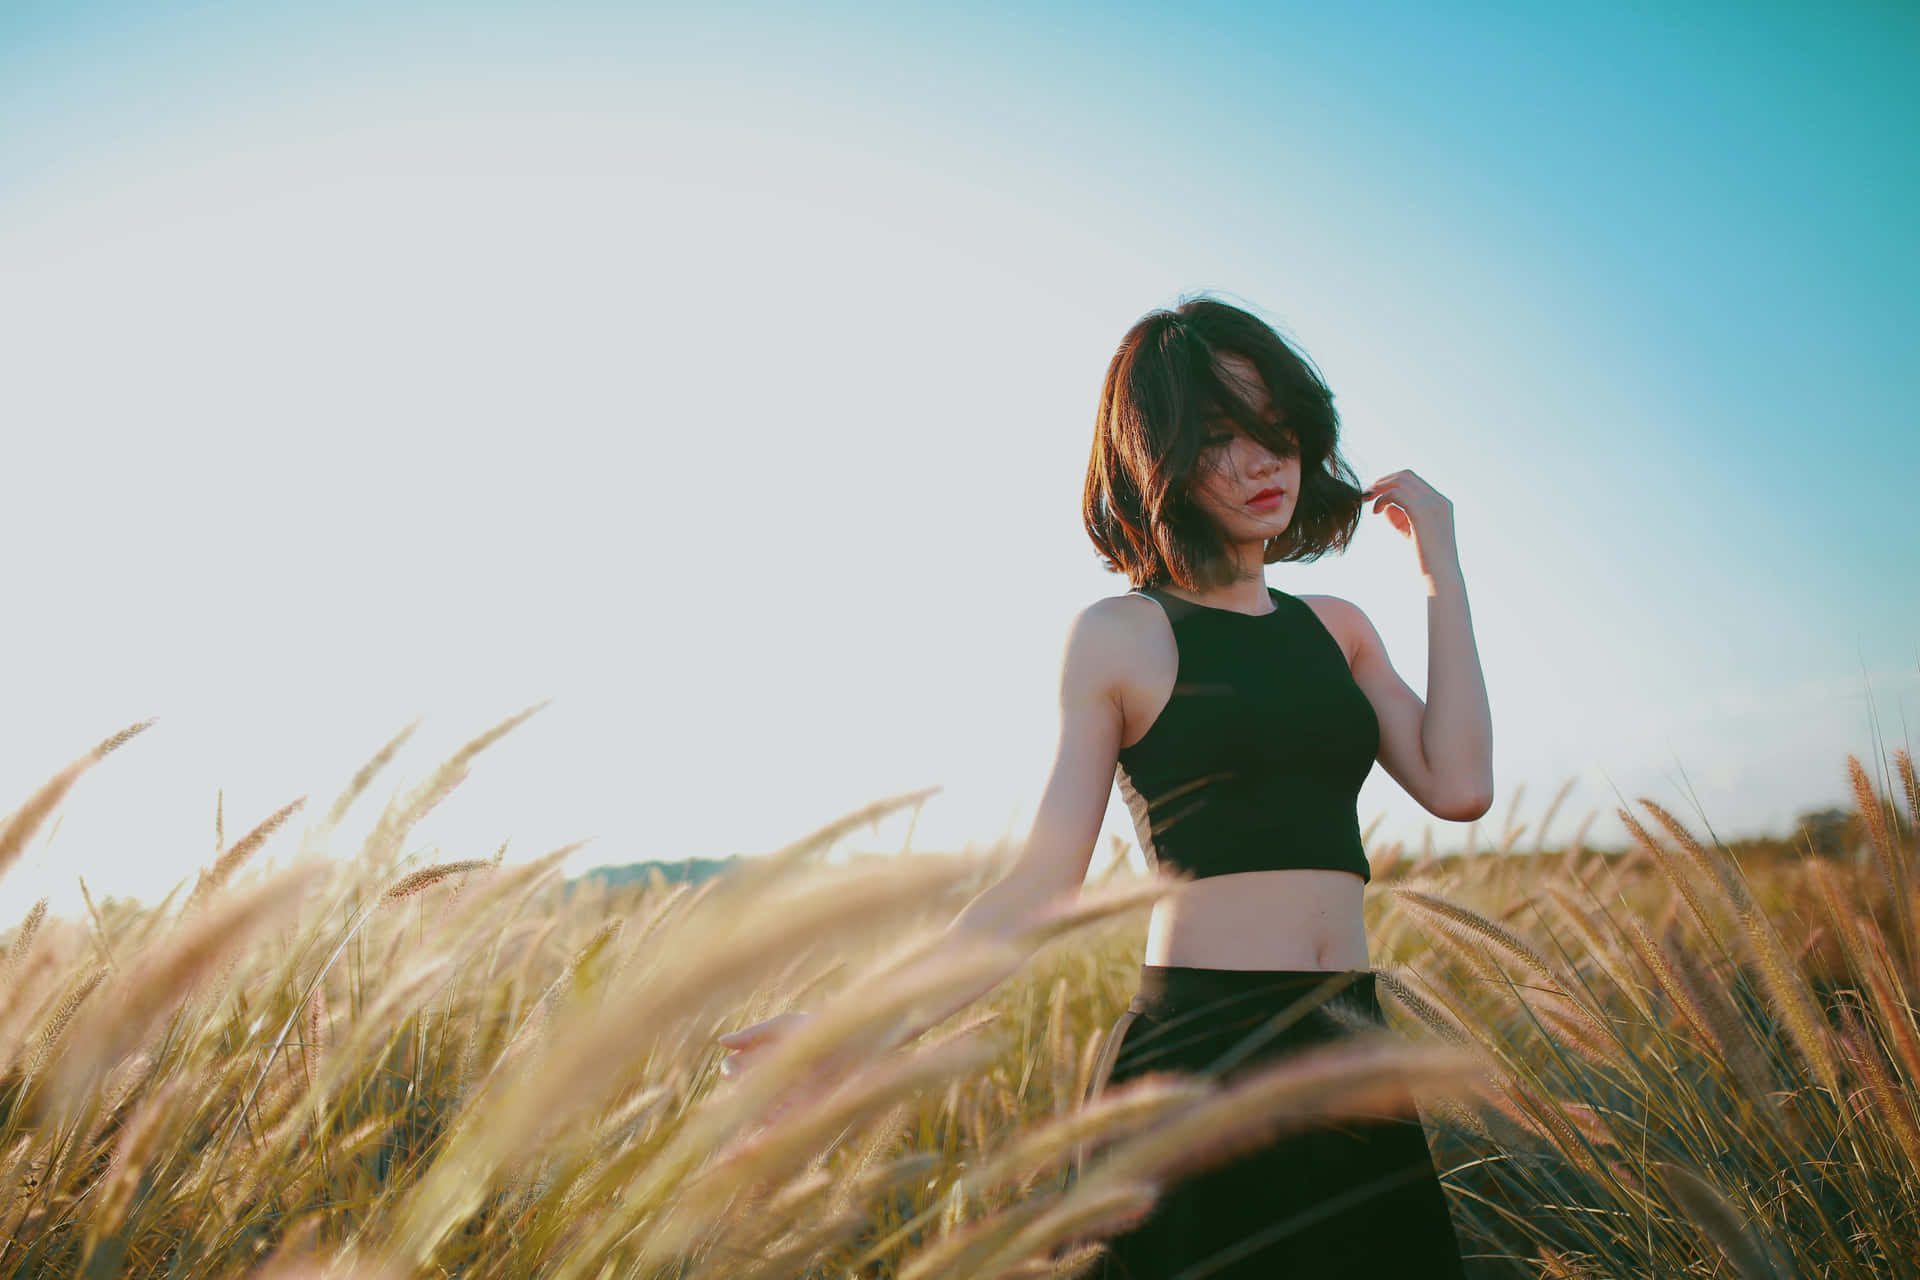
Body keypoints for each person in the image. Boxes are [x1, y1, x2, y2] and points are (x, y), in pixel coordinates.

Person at [719, 294, 1492, 1277]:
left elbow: (1460, 783)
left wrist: (1444, 573)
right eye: (1221, 437)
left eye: (1278, 432)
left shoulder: (1338, 627)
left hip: (1352, 1044)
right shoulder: (1121, 636)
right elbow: (1039, 889)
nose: (1264, 462)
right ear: (1155, 457)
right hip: (1200, 1063)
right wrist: (848, 1033)